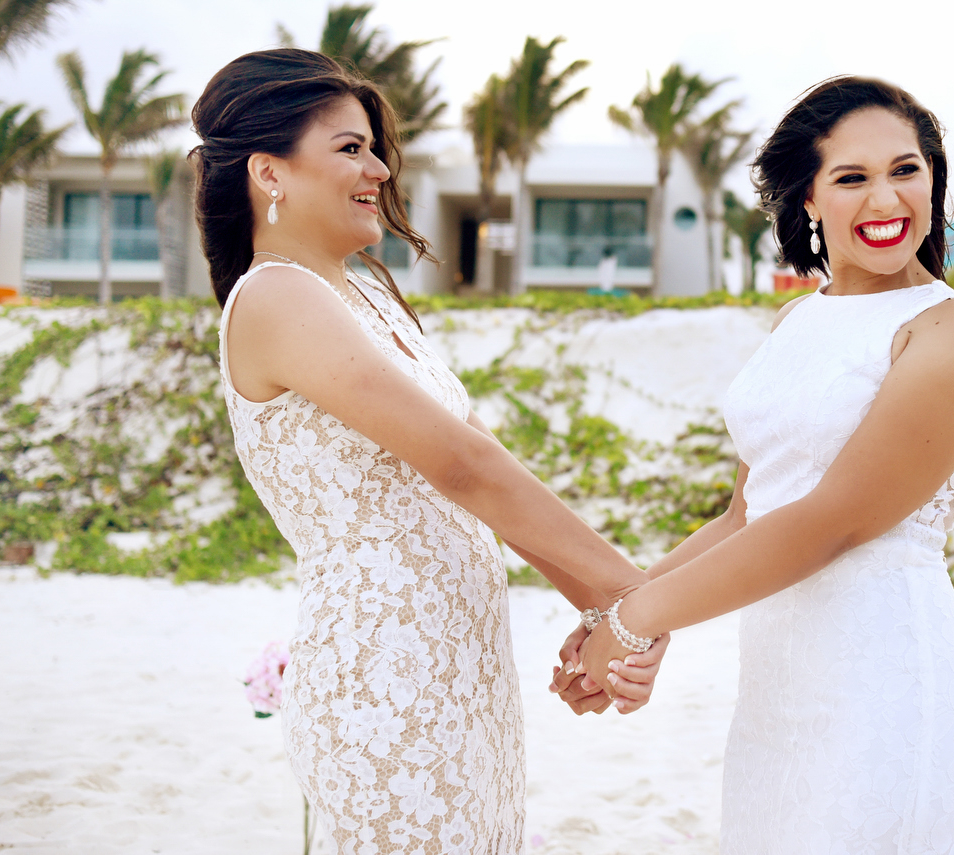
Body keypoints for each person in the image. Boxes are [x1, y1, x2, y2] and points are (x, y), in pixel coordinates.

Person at [192, 49, 667, 854]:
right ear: (269, 173)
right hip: (386, 673)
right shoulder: (273, 296)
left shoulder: (365, 294)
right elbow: (459, 465)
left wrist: (602, 607)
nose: (378, 167)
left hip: (463, 661)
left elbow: (482, 458)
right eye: (350, 148)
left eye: (374, 147)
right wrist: (636, 600)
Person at [566, 76, 954, 853]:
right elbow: (747, 515)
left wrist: (638, 621)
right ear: (808, 198)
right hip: (777, 693)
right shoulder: (797, 319)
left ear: (934, 181)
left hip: (887, 678)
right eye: (852, 177)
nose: (886, 199)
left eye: (906, 170)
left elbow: (829, 522)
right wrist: (615, 615)